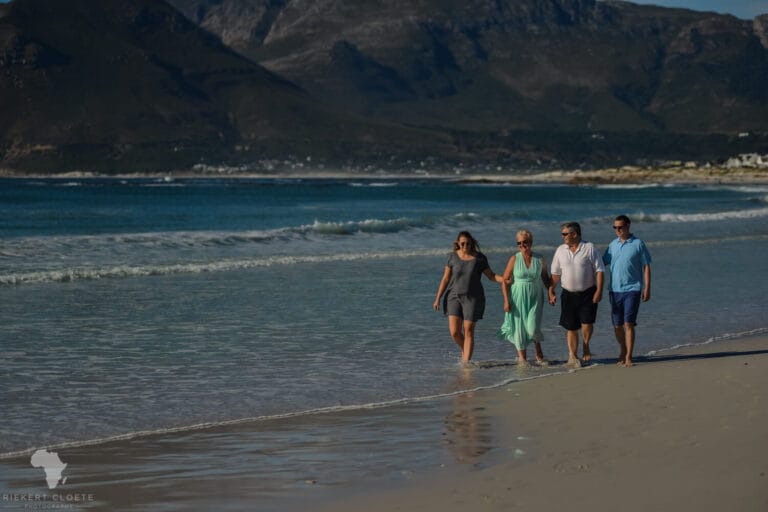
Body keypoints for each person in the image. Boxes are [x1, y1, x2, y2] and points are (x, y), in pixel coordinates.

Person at [434, 231, 505, 364]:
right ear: (458, 243)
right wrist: (438, 298)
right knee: (454, 332)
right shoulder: (452, 257)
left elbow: (491, 276)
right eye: (463, 244)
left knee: (468, 331)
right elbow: (445, 279)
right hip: (453, 297)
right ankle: (466, 350)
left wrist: (504, 280)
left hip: (473, 298)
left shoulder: (480, 258)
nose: (465, 246)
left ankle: (466, 365)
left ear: (472, 243)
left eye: (468, 244)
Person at [548, 222, 604, 367]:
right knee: (571, 327)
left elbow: (599, 270)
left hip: (588, 293)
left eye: (565, 234)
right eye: (562, 234)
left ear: (574, 234)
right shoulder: (560, 250)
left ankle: (586, 344)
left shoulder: (589, 248)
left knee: (587, 323)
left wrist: (599, 290)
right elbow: (555, 274)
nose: (562, 236)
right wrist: (551, 289)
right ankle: (572, 355)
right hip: (568, 294)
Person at [603, 215, 652, 367]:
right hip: (614, 290)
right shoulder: (612, 245)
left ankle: (629, 357)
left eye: (620, 227)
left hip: (633, 289)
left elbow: (646, 266)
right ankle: (623, 349)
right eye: (615, 227)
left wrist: (647, 287)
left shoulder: (638, 243)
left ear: (628, 226)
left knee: (628, 324)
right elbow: (601, 263)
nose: (617, 230)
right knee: (617, 325)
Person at [498, 229, 551, 366]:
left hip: (536, 297)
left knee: (532, 327)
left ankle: (537, 344)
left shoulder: (540, 259)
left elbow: (546, 279)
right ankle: (523, 361)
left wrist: (551, 292)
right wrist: (506, 301)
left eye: (525, 242)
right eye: (519, 243)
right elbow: (504, 280)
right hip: (517, 298)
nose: (522, 245)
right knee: (519, 329)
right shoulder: (514, 259)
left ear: (531, 242)